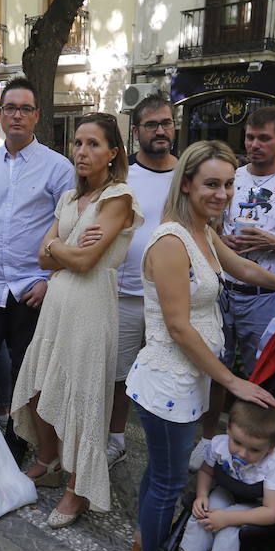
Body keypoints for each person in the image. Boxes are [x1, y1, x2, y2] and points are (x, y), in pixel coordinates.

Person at [127, 140, 275, 551]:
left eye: (228, 184)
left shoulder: (203, 232)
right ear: (186, 184)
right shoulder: (171, 241)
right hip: (167, 381)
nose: (222, 194)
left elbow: (241, 266)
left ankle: (144, 541)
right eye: (211, 183)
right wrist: (232, 382)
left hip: (189, 377)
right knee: (169, 482)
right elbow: (178, 327)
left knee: (160, 472)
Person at [11, 113, 142, 528]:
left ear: (112, 152)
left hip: (90, 306)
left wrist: (58, 246)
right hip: (57, 305)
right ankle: (49, 461)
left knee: (82, 396)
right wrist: (62, 246)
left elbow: (84, 262)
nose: (82, 152)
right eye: (79, 143)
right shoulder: (70, 199)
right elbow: (39, 254)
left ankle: (77, 489)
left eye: (93, 144)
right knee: (38, 386)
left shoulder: (118, 197)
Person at [0, 78, 75, 456]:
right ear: (0, 114)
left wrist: (50, 280)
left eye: (26, 109)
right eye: (11, 108)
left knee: (30, 371)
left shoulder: (58, 167)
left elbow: (69, 231)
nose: (17, 115)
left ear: (37, 115)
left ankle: (22, 440)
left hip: (34, 289)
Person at [199, 107, 275, 443]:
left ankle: (252, 446)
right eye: (250, 137)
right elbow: (208, 227)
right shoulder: (232, 177)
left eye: (263, 138)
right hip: (222, 290)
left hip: (266, 299)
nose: (254, 144)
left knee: (262, 375)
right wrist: (220, 241)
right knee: (214, 372)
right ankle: (209, 441)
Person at [108, 94, 179, 468]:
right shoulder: (121, 176)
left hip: (170, 298)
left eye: (166, 123)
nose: (160, 131)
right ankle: (116, 439)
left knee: (167, 373)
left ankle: (164, 449)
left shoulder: (187, 174)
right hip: (123, 295)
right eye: (151, 125)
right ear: (136, 132)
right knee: (117, 375)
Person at [166, 400, 275, 551]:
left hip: (260, 505)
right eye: (237, 443)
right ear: (228, 429)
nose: (242, 453)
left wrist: (226, 518)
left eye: (253, 450)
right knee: (204, 512)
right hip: (231, 490)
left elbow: (271, 513)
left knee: (229, 526)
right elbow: (207, 471)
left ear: (271, 448)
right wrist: (202, 495)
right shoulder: (220, 444)